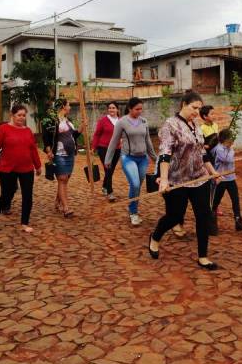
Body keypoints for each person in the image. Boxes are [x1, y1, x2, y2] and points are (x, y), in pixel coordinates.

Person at [149, 91, 221, 270]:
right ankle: (155, 237)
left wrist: (213, 172)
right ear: (183, 104)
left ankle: (203, 256)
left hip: (198, 178)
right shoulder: (170, 125)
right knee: (174, 216)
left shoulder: (196, 125)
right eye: (194, 107)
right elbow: (165, 153)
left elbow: (202, 153)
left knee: (203, 216)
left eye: (199, 108)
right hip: (177, 180)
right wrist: (164, 180)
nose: (197, 111)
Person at [0, 104, 42, 233]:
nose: (22, 118)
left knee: (27, 196)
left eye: (24, 115)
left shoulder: (28, 131)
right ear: (12, 115)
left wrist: (38, 165)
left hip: (26, 168)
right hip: (8, 168)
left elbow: (33, 149)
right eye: (19, 115)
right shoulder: (3, 129)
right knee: (7, 194)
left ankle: (25, 223)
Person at [105, 97, 157, 225]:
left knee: (137, 186)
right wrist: (108, 158)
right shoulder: (122, 122)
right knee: (134, 183)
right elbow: (114, 141)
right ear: (130, 108)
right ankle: (133, 212)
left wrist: (156, 158)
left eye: (141, 109)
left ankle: (133, 208)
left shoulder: (144, 121)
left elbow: (148, 141)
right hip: (128, 158)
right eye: (137, 109)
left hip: (143, 158)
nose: (140, 111)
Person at [42, 99, 80, 218]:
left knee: (65, 179)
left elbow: (74, 135)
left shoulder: (69, 120)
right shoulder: (52, 121)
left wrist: (82, 128)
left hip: (70, 154)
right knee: (62, 178)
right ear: (63, 106)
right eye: (68, 105)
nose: (70, 107)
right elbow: (46, 137)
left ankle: (58, 201)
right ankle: (66, 208)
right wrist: (49, 151)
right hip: (59, 154)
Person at [211, 129, 242, 232]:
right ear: (224, 140)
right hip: (221, 179)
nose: (232, 141)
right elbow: (227, 159)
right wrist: (231, 149)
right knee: (216, 201)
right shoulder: (219, 149)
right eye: (230, 139)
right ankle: (212, 223)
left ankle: (238, 221)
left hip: (231, 178)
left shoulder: (227, 147)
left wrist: (230, 148)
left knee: (235, 199)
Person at [92, 101, 121, 202]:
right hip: (103, 148)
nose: (111, 110)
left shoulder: (121, 121)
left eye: (113, 108)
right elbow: (97, 134)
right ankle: (110, 192)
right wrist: (93, 147)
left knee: (111, 171)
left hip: (117, 149)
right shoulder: (103, 121)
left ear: (117, 109)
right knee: (108, 169)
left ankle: (105, 186)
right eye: (109, 108)